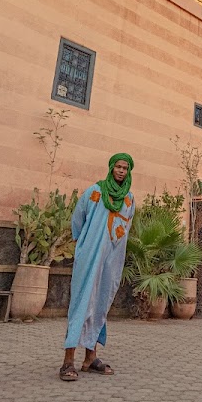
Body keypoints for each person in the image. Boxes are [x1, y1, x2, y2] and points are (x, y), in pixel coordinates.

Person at [60, 152, 136, 381]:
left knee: (100, 303)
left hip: (111, 258)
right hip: (89, 256)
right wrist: (83, 245)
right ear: (111, 167)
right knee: (82, 302)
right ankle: (68, 361)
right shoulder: (95, 192)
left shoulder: (129, 199)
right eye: (118, 167)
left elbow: (125, 227)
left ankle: (90, 358)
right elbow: (78, 218)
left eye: (125, 168)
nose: (121, 171)